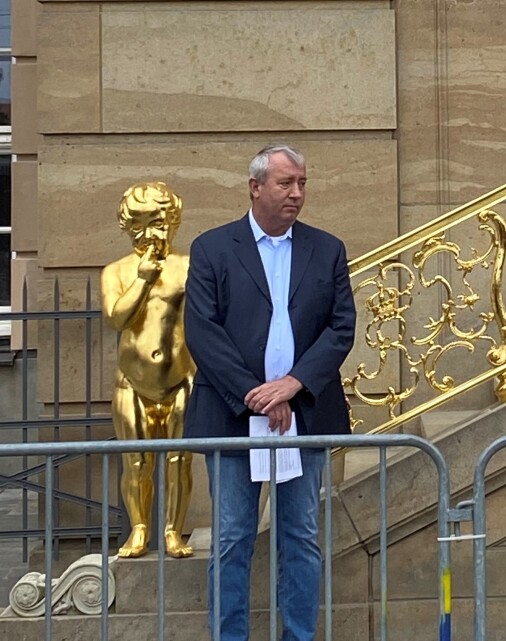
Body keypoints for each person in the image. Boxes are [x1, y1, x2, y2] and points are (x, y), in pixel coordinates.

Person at [184, 144, 356, 641]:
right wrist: (256, 394)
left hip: (304, 414)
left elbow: (340, 328)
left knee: (301, 537)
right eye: (286, 184)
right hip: (233, 418)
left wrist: (292, 385)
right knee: (232, 538)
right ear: (255, 187)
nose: (297, 193)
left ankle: (298, 635)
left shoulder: (327, 249)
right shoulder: (213, 248)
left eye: (302, 183)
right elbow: (203, 332)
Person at [101, 182, 195, 559]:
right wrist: (142, 277)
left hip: (180, 379)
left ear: (172, 222)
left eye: (156, 224)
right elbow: (117, 318)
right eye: (137, 226)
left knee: (179, 459)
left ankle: (174, 531)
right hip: (132, 382)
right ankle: (140, 528)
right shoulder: (117, 271)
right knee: (136, 462)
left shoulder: (189, 267)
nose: (148, 235)